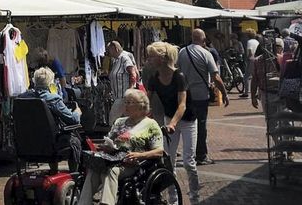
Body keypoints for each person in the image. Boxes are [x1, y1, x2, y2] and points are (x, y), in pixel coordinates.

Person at [76, 88, 164, 205]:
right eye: (125, 102)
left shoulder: (150, 124)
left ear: (141, 106)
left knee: (111, 171)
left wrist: (140, 155)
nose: (125, 105)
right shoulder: (120, 121)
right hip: (112, 159)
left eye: (129, 103)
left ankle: (106, 203)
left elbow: (159, 151)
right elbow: (109, 141)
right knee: (94, 169)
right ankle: (83, 203)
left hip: (133, 163)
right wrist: (105, 147)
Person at [144, 42, 200, 204]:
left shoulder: (179, 76)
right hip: (169, 119)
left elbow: (182, 104)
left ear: (162, 58)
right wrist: (141, 114)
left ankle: (195, 198)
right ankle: (173, 200)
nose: (149, 60)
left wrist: (173, 124)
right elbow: (146, 101)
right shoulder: (154, 78)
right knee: (169, 163)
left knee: (189, 162)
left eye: (152, 56)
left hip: (187, 120)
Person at [177, 29, 229, 165]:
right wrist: (224, 93)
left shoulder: (182, 52)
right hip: (200, 95)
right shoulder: (206, 53)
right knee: (200, 126)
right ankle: (201, 155)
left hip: (185, 95)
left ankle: (189, 153)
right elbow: (216, 77)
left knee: (187, 126)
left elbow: (177, 72)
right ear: (203, 39)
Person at [19, 67, 82, 171]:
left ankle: (54, 170)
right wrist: (77, 112)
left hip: (27, 145)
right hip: (50, 146)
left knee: (47, 135)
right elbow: (73, 120)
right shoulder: (53, 99)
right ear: (50, 83)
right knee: (75, 141)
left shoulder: (22, 98)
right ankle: (74, 175)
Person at [106, 41, 138, 122]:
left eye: (109, 50)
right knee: (126, 119)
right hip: (118, 96)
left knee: (112, 119)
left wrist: (131, 89)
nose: (108, 52)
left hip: (123, 96)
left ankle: (113, 134)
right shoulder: (115, 60)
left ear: (115, 49)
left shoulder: (124, 58)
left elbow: (133, 73)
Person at [241, 29, 259, 98]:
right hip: (257, 59)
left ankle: (246, 92)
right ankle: (257, 92)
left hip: (251, 60)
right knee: (256, 76)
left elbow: (250, 51)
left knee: (246, 77)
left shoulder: (249, 42)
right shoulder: (256, 41)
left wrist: (249, 58)